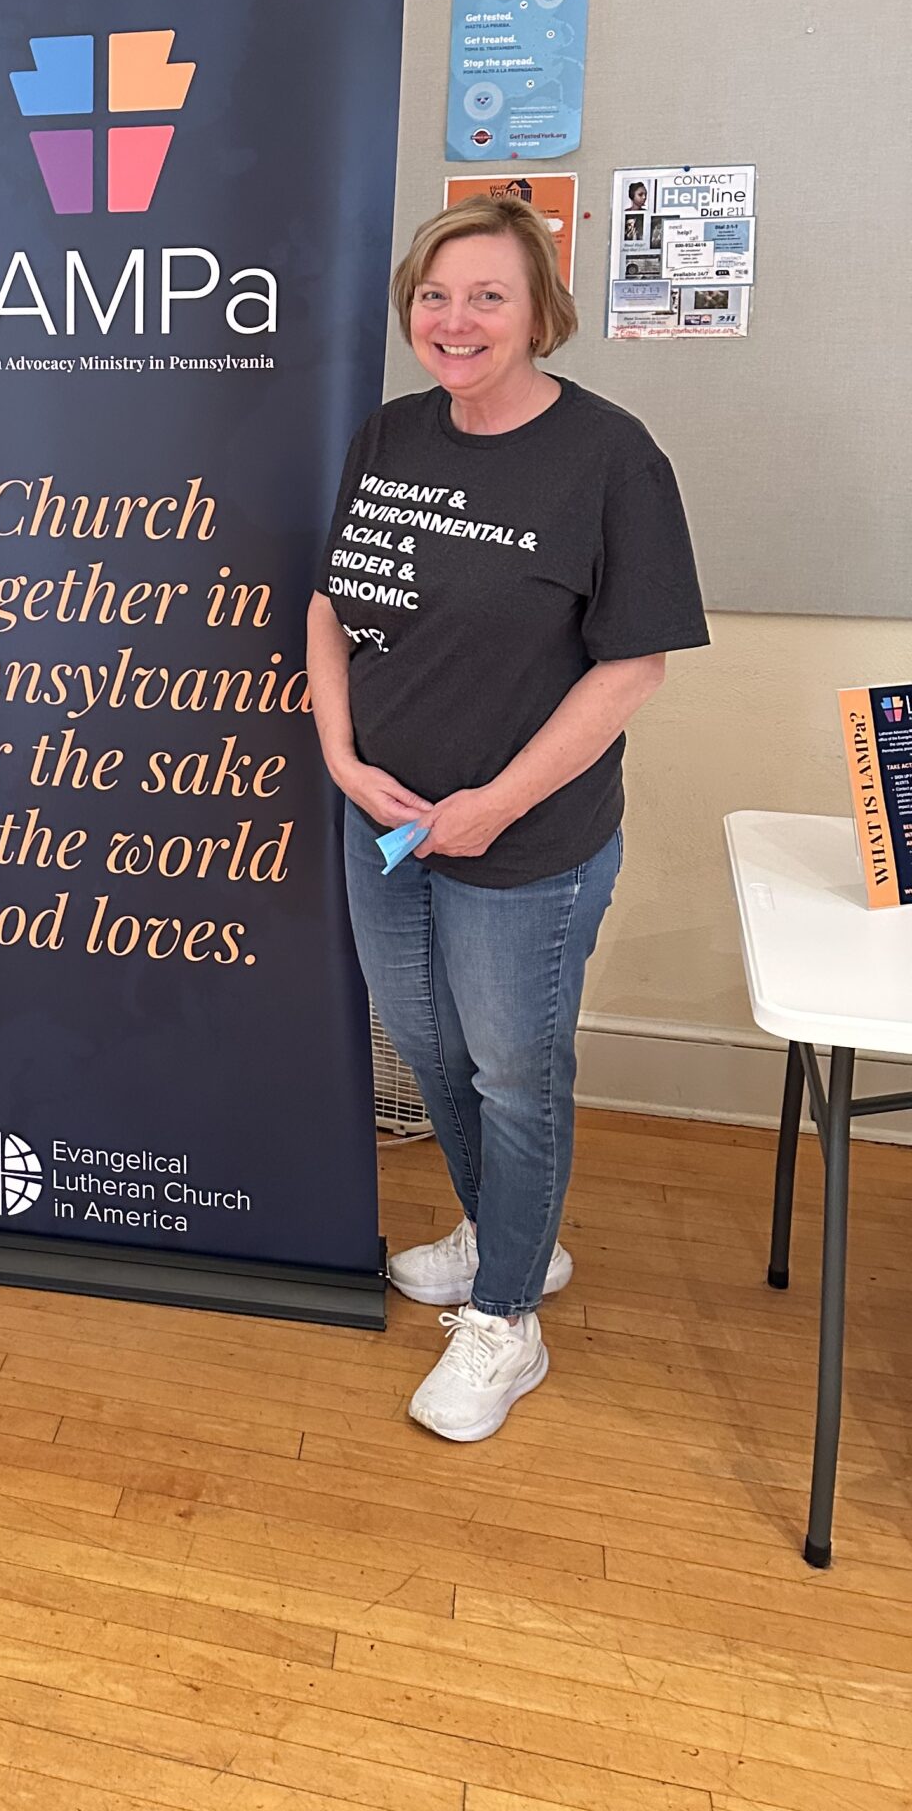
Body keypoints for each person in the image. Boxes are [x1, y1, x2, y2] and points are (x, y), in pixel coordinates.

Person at [307, 195, 707, 1442]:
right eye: (435, 295)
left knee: (517, 1079)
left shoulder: (611, 457)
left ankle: (508, 1318)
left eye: (488, 295)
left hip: (528, 844)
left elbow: (632, 667)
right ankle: (507, 1235)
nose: (456, 319)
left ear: (540, 311)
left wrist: (496, 804)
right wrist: (341, 756)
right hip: (387, 826)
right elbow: (331, 606)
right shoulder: (390, 435)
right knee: (432, 1053)